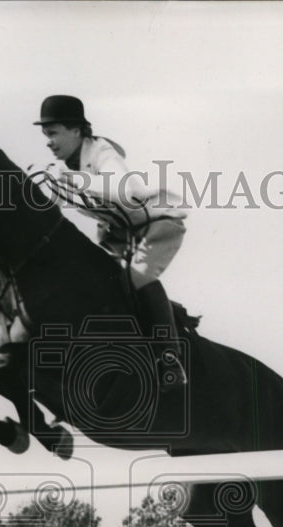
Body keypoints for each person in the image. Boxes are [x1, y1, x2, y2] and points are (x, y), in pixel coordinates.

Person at [35, 94, 188, 391]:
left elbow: (124, 192)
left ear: (77, 131)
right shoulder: (68, 165)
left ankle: (171, 360)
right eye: (45, 135)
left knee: (137, 278)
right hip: (119, 232)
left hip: (157, 224)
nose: (48, 142)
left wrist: (73, 180)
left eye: (53, 133)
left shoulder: (101, 151)